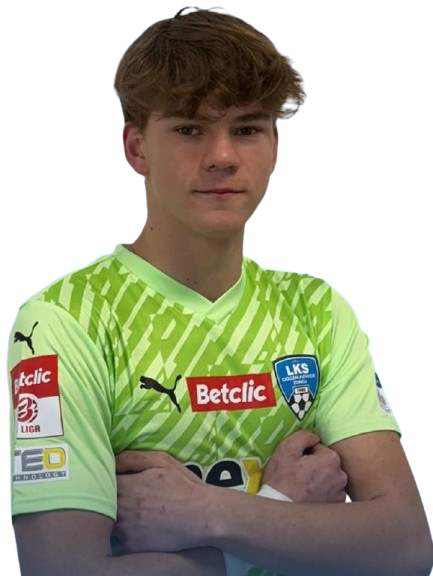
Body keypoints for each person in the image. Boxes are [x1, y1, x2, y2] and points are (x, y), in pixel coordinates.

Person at [7, 6, 432, 576]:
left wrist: (209, 513)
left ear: (275, 146)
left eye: (247, 129)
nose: (223, 157)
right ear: (136, 148)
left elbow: (405, 546)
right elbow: (62, 571)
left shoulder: (318, 309)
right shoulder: (62, 320)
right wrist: (281, 512)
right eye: (189, 129)